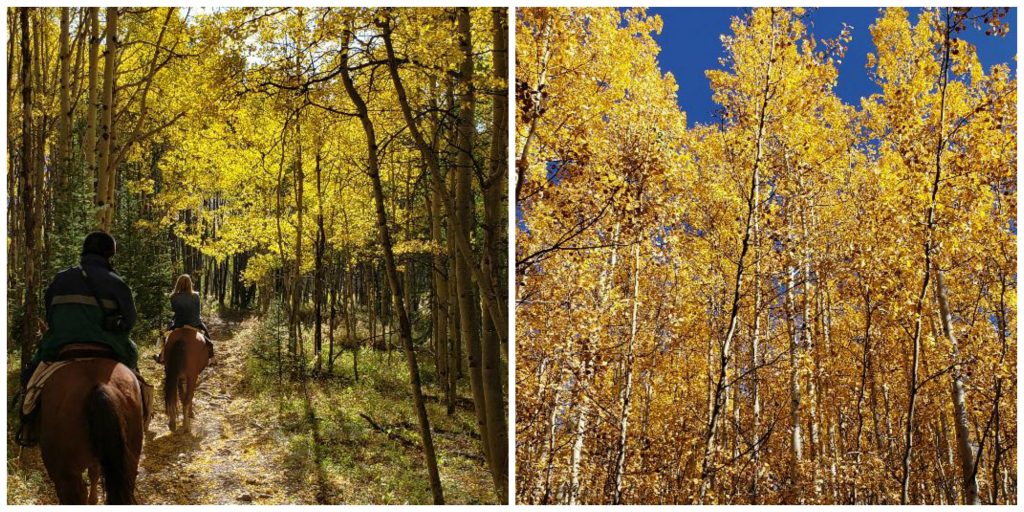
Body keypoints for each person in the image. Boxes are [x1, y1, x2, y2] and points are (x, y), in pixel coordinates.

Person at [18, 231, 151, 445]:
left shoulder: (60, 279)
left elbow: (51, 314)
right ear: (110, 254)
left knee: (31, 376)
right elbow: (130, 321)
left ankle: (27, 426)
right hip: (110, 343)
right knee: (136, 374)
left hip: (61, 343)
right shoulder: (117, 283)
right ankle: (143, 416)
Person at [155, 274, 215, 365]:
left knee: (165, 337)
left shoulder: (173, 296)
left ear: (178, 284)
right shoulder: (196, 296)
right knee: (207, 336)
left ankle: (162, 356)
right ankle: (212, 357)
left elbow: (174, 310)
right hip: (194, 323)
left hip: (179, 324)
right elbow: (198, 311)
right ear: (190, 284)